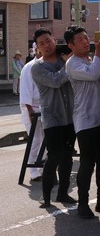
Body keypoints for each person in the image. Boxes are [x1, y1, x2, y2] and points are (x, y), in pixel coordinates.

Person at [64, 26, 100, 218]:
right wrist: (99, 52)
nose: (86, 41)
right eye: (80, 39)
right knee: (87, 163)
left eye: (86, 37)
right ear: (71, 45)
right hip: (85, 121)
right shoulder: (72, 64)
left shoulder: (93, 59)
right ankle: (83, 203)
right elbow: (93, 75)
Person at [31, 28, 77, 208]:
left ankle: (63, 193)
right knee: (54, 156)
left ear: (54, 39)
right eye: (41, 43)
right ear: (38, 48)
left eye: (47, 41)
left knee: (67, 157)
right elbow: (55, 81)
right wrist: (68, 64)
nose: (46, 45)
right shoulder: (37, 67)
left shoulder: (64, 58)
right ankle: (46, 197)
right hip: (52, 118)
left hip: (71, 117)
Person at [19, 46, 44, 182]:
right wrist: (30, 111)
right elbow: (26, 92)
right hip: (31, 108)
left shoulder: (47, 65)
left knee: (45, 140)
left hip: (44, 107)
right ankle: (33, 171)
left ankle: (43, 168)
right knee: (35, 140)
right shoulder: (29, 67)